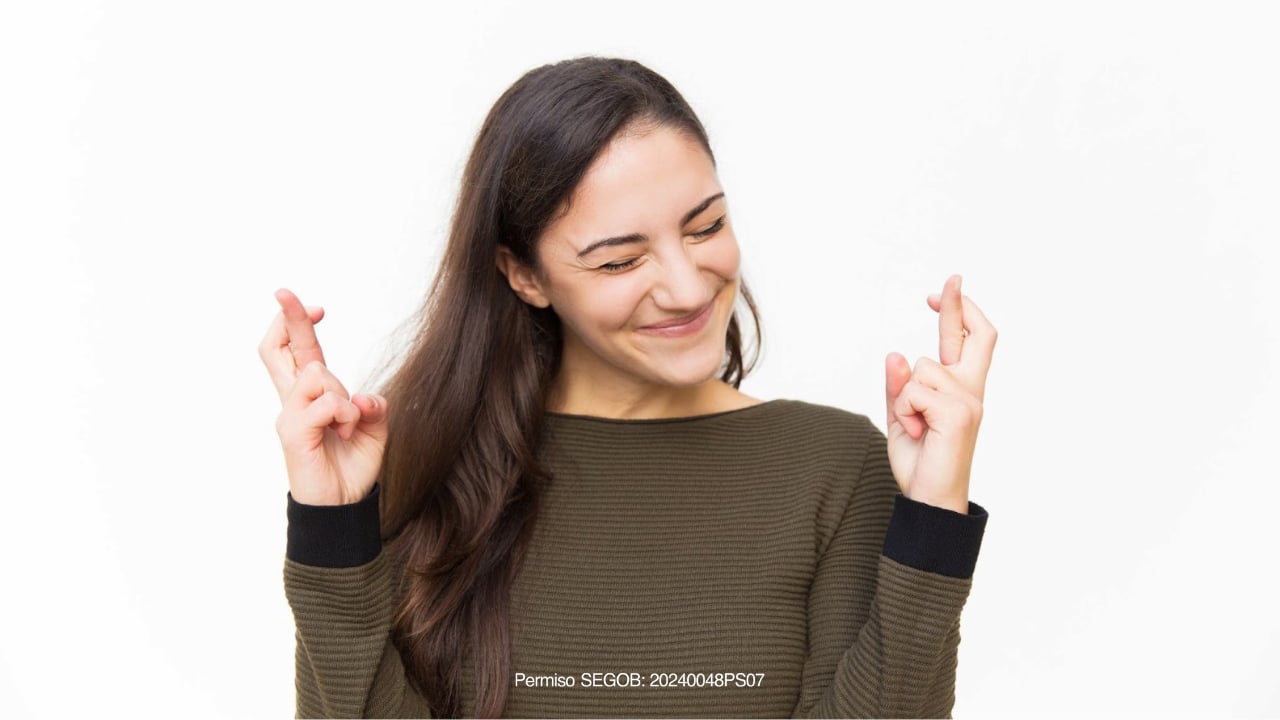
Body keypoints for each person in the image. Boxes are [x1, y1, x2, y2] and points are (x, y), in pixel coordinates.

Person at [259, 56, 996, 719]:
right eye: (619, 262)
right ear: (523, 274)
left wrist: (933, 519)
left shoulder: (834, 466)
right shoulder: (425, 465)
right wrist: (332, 530)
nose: (684, 288)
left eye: (706, 227)